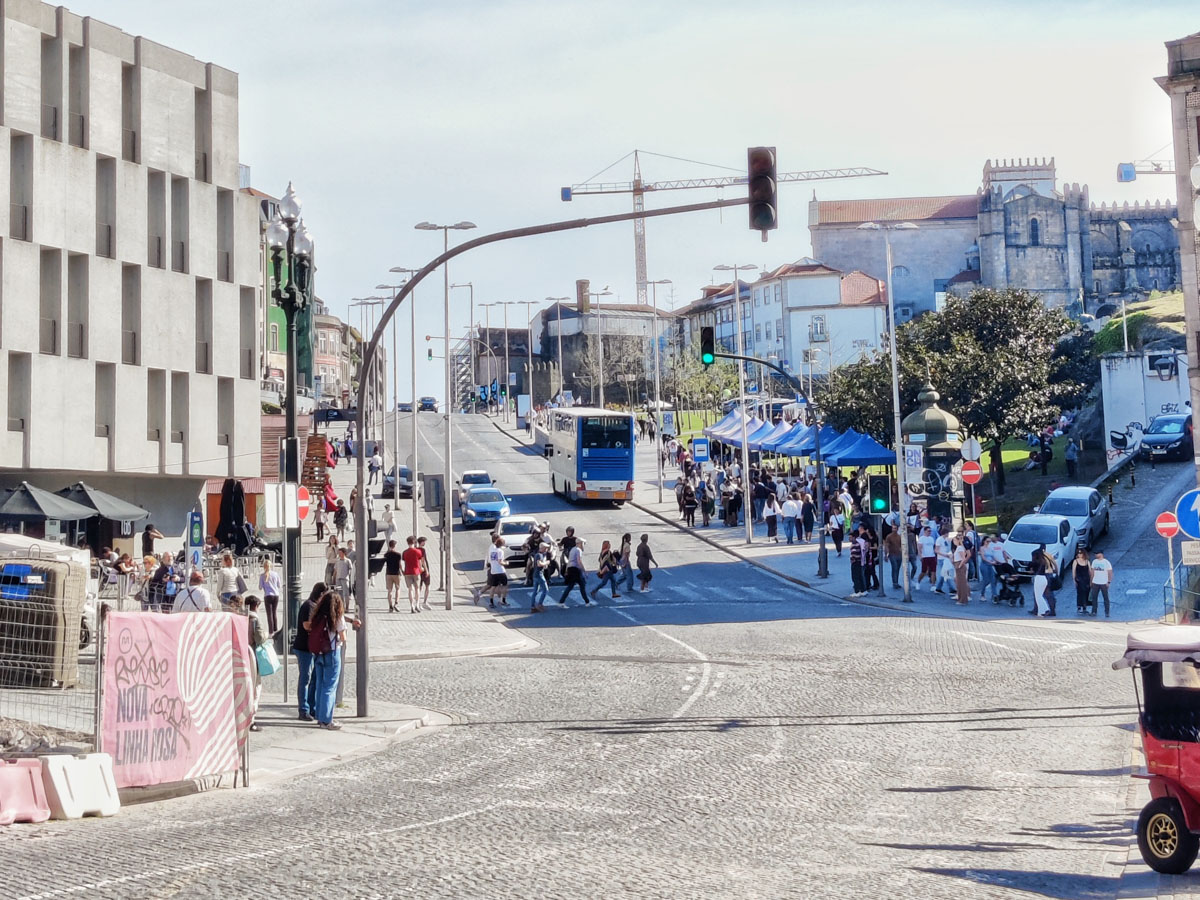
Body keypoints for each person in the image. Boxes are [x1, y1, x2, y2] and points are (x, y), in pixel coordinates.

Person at [305, 591, 351, 730]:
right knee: (329, 687)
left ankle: (320, 716)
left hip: (318, 653)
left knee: (320, 684)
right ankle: (326, 720)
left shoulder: (318, 615)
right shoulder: (337, 617)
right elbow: (343, 637)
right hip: (332, 652)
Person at [292, 582, 325, 722]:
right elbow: (307, 625)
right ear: (321, 594)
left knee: (313, 679)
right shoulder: (309, 605)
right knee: (305, 679)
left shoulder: (314, 605)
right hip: (304, 647)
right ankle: (303, 709)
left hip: (311, 648)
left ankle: (311, 707)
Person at [244, 595, 268, 732]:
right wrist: (265, 635)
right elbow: (259, 638)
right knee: (255, 688)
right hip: (252, 656)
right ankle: (251, 719)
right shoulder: (255, 619)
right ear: (256, 606)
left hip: (240, 655)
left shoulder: (241, 616)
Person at [479, 534, 510, 609]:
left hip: (493, 571)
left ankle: (491, 602)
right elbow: (500, 562)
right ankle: (503, 600)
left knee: (493, 587)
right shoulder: (500, 551)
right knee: (505, 585)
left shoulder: (492, 549)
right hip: (500, 571)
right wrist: (506, 563)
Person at [559, 539, 590, 606]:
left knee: (571, 586)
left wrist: (567, 570)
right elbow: (579, 561)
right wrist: (584, 571)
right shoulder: (578, 550)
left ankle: (561, 601)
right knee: (582, 585)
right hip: (575, 570)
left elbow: (569, 561)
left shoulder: (573, 549)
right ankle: (587, 602)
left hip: (570, 569)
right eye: (583, 543)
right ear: (580, 543)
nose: (583, 545)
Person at [1031, 544, 1056, 617]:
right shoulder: (1048, 555)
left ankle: (1039, 610)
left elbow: (1035, 565)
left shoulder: (1037, 556)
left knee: (1038, 593)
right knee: (1049, 594)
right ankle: (1052, 610)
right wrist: (1056, 572)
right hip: (1049, 574)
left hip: (1043, 576)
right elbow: (1054, 564)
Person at [259, 557, 282, 634]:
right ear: (271, 566)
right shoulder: (275, 574)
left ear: (264, 567)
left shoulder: (262, 575)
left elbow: (260, 587)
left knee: (269, 614)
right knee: (274, 612)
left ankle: (270, 631)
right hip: (276, 595)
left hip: (268, 595)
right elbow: (279, 585)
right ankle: (276, 629)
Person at [1088, 550, 1114, 617]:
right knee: (1094, 598)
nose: (1095, 555)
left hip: (1103, 582)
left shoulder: (1106, 562)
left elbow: (1110, 573)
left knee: (1105, 598)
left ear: (1101, 554)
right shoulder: (1094, 562)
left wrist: (1108, 581)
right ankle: (1094, 611)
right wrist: (1091, 581)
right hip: (1095, 582)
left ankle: (1107, 612)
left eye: (1097, 553)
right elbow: (1092, 572)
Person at [530, 541, 551, 612]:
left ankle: (533, 606)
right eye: (546, 548)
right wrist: (546, 563)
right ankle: (540, 604)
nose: (547, 550)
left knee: (535, 591)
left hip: (535, 575)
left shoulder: (537, 555)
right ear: (542, 548)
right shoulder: (539, 555)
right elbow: (539, 564)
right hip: (539, 575)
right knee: (545, 590)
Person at [384, 539, 404, 612]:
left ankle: (390, 606)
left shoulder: (386, 554)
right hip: (396, 573)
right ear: (395, 546)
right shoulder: (398, 555)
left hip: (388, 573)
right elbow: (399, 564)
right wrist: (402, 571)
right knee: (398, 588)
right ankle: (396, 603)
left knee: (389, 590)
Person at [1070, 548, 1092, 615]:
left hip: (1086, 579)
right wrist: (1074, 580)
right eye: (1078, 553)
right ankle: (1079, 606)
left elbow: (1090, 571)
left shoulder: (1087, 561)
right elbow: (1073, 571)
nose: (1079, 555)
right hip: (1079, 579)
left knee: (1086, 593)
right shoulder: (1075, 561)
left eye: (1081, 553)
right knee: (1080, 593)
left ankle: (1085, 607)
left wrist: (1091, 579)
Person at [916, 525, 937, 590]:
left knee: (933, 571)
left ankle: (933, 585)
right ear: (925, 531)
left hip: (932, 556)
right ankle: (918, 582)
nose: (929, 532)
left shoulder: (931, 538)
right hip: (925, 556)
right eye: (928, 531)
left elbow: (933, 547)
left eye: (930, 531)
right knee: (924, 571)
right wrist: (920, 555)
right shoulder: (922, 538)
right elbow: (919, 548)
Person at [952, 535, 970, 605]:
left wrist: (959, 565)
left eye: (954, 540)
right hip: (958, 564)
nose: (954, 542)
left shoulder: (960, 548)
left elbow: (963, 558)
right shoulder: (960, 548)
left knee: (961, 584)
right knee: (959, 583)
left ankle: (962, 600)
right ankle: (961, 598)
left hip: (959, 564)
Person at [849, 525, 867, 596]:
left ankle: (857, 591)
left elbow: (855, 554)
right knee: (860, 576)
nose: (849, 539)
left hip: (856, 562)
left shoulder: (855, 544)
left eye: (850, 537)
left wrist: (853, 559)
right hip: (860, 562)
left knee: (855, 576)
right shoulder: (860, 543)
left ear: (854, 537)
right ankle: (863, 590)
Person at [416, 536, 432, 608]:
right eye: (424, 541)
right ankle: (424, 602)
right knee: (427, 586)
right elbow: (423, 560)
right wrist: (427, 570)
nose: (425, 543)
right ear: (421, 542)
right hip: (423, 570)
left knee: (419, 586)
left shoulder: (415, 549)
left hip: (417, 569)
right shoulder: (422, 550)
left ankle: (418, 602)